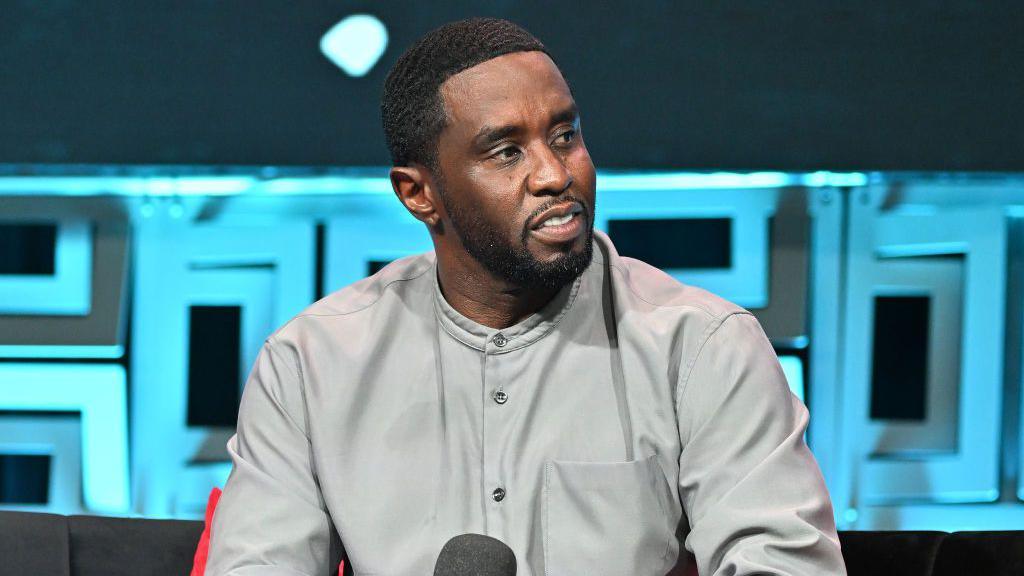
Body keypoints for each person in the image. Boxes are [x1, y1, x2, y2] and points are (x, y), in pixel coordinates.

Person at [207, 17, 846, 576]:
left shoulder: (701, 346)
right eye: (507, 151)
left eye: (564, 135)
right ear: (418, 193)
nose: (554, 174)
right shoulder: (311, 365)